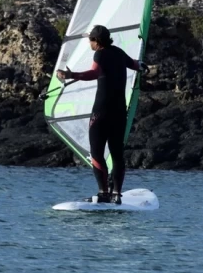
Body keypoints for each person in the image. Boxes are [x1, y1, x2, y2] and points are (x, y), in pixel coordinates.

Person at [57, 25, 148, 205]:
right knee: (117, 153)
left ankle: (103, 193)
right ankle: (117, 194)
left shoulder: (100, 54)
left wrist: (69, 74)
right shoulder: (119, 53)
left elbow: (95, 72)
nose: (89, 43)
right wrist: (143, 66)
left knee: (97, 153)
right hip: (120, 112)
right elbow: (136, 65)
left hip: (102, 111)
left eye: (90, 40)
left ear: (96, 42)